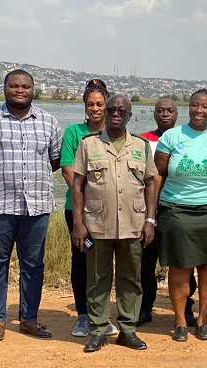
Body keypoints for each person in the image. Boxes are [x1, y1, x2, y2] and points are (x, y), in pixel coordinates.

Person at [0, 69, 62, 342]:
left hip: (36, 207)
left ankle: (29, 319)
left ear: (33, 90)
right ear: (5, 89)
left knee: (33, 264)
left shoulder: (49, 122)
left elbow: (55, 161)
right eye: (14, 86)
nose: (19, 90)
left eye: (25, 86)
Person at [71, 95, 157, 352]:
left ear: (130, 115)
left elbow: (151, 182)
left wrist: (150, 220)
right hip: (98, 223)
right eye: (112, 109)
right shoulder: (88, 144)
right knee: (97, 278)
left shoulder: (141, 145)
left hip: (133, 222)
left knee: (131, 277)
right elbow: (78, 184)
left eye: (122, 110)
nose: (116, 113)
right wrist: (78, 223)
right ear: (105, 113)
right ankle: (97, 330)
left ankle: (127, 329)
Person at [155, 89, 207, 342]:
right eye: (194, 105)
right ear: (188, 107)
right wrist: (153, 211)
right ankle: (180, 320)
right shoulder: (171, 136)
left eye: (205, 107)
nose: (199, 111)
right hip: (176, 209)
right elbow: (159, 174)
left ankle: (202, 320)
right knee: (180, 265)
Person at [60, 79, 119, 337]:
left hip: (109, 210)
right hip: (79, 209)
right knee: (82, 259)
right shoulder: (74, 132)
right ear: (84, 107)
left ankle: (102, 315)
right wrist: (87, 199)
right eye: (90, 104)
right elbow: (67, 170)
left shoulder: (115, 132)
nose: (95, 109)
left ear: (107, 106)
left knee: (105, 262)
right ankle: (83, 315)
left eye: (100, 104)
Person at [137, 98, 198, 327]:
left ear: (177, 114)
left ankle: (186, 307)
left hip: (177, 208)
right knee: (146, 262)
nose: (165, 114)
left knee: (183, 260)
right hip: (147, 209)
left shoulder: (187, 139)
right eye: (160, 110)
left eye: (170, 111)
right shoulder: (143, 140)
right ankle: (145, 307)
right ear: (154, 114)